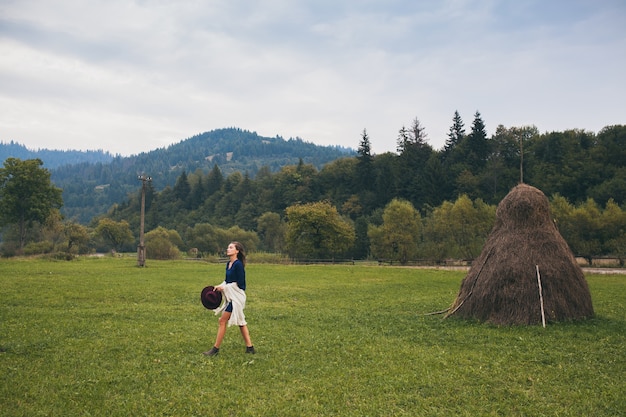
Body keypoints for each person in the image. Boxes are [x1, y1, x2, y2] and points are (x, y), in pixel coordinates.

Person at [203, 241, 255, 356]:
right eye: (228, 247)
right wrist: (220, 286)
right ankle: (250, 347)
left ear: (237, 251)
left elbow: (241, 284)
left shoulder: (238, 265)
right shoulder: (228, 264)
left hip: (237, 297)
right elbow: (227, 281)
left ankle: (215, 349)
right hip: (231, 297)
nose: (228, 249)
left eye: (231, 247)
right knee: (241, 322)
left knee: (222, 321)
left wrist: (225, 288)